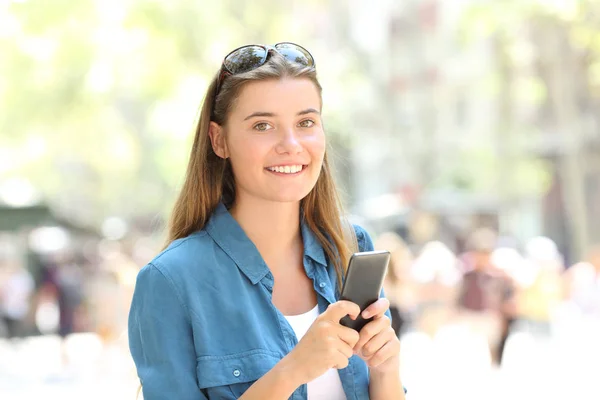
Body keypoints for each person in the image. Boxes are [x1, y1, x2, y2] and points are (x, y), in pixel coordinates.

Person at [128, 43, 405, 400]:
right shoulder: (171, 281)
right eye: (262, 125)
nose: (290, 144)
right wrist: (294, 369)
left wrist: (386, 370)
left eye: (306, 122)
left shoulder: (351, 247)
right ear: (219, 140)